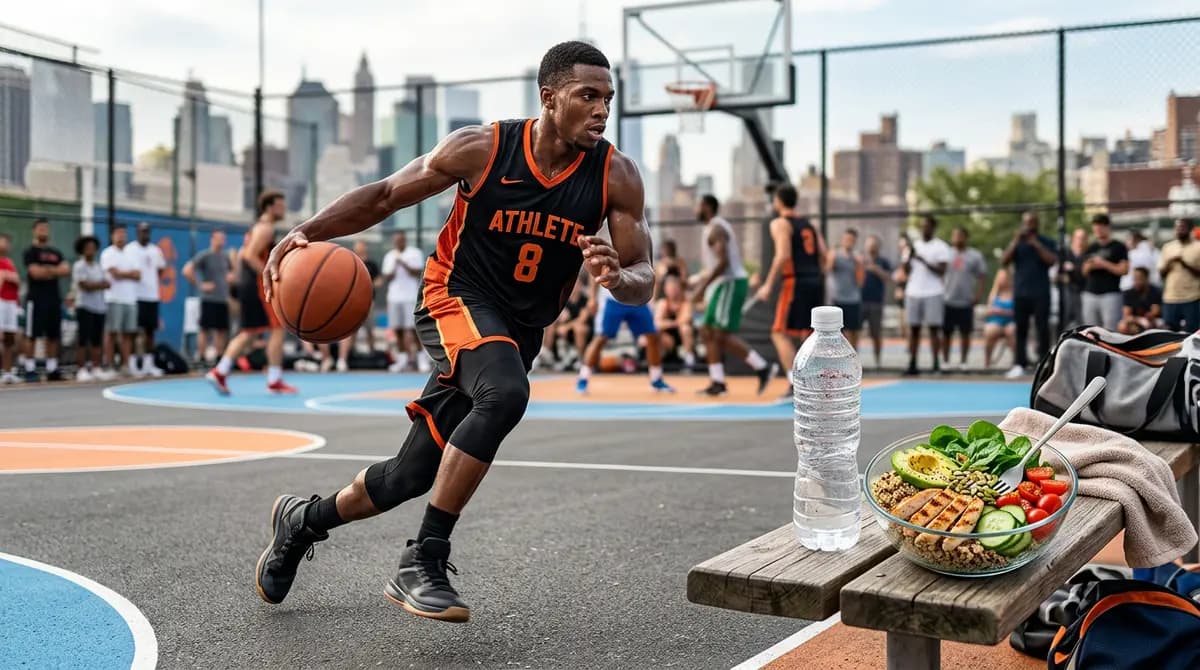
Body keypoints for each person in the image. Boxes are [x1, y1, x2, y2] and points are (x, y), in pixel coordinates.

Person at [252, 42, 654, 622]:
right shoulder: (483, 148)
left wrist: (620, 276)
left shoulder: (615, 175)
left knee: (406, 476)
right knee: (507, 394)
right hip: (454, 297)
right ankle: (424, 558)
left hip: (517, 331)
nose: (601, 111)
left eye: (607, 99)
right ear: (549, 98)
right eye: (587, 96)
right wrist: (305, 231)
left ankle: (301, 521)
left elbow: (645, 276)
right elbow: (387, 195)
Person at [206, 190, 297, 395]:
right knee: (277, 328)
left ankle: (220, 371)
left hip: (249, 284)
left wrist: (238, 279)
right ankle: (274, 380)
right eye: (280, 205)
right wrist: (272, 277)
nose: (283, 209)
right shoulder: (265, 229)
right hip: (256, 286)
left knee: (249, 332)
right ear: (270, 207)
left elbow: (241, 255)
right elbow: (249, 255)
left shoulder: (257, 228)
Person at [692, 193, 776, 397]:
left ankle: (762, 367)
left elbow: (723, 264)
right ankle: (718, 381)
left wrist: (702, 289)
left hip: (730, 283)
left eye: (698, 205)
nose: (696, 209)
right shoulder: (712, 229)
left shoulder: (716, 229)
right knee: (708, 331)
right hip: (724, 284)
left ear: (707, 207)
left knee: (718, 333)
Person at [756, 185, 824, 396]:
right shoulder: (809, 225)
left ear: (778, 200)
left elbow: (783, 254)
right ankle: (813, 382)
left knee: (778, 332)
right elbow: (825, 256)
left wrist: (767, 284)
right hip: (815, 281)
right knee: (808, 334)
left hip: (794, 282)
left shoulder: (780, 223)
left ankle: (796, 383)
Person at [577, 272, 673, 394]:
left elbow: (648, 268)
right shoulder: (609, 252)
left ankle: (656, 380)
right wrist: (592, 297)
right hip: (612, 298)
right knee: (601, 338)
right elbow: (594, 271)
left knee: (652, 335)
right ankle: (583, 378)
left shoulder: (642, 252)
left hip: (637, 297)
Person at [1000, 211, 1058, 379]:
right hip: (1021, 293)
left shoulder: (1045, 241)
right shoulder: (1017, 243)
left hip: (1040, 292)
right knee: (1021, 330)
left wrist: (1036, 244)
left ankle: (1043, 364)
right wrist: (1015, 241)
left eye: (1032, 222)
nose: (1029, 225)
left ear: (1037, 224)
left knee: (1042, 329)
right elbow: (1004, 261)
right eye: (1026, 222)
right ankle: (1019, 364)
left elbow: (1052, 260)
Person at [901, 215, 952, 376]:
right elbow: (906, 271)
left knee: (933, 329)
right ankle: (913, 363)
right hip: (913, 292)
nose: (924, 229)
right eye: (922, 226)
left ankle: (936, 364)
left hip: (933, 292)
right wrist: (909, 258)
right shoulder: (913, 246)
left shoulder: (941, 247)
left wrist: (923, 260)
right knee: (914, 329)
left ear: (933, 228)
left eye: (927, 226)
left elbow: (941, 271)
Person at [22, 218, 70, 382]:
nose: (44, 230)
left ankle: (52, 369)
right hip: (35, 299)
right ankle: (29, 369)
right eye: (40, 228)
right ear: (34, 231)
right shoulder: (30, 252)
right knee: (32, 335)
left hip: (54, 299)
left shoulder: (56, 252)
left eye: (46, 228)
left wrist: (47, 270)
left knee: (53, 335)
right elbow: (35, 273)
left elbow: (66, 270)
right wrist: (54, 270)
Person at [183, 229, 233, 367]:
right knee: (205, 329)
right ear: (212, 239)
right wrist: (201, 285)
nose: (222, 241)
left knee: (221, 329)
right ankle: (202, 357)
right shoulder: (205, 255)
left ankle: (218, 357)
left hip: (222, 299)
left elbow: (231, 274)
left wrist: (230, 279)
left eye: (223, 238)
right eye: (219, 238)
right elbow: (187, 270)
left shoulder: (225, 256)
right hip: (209, 299)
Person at [941, 226, 987, 372]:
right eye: (955, 235)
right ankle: (946, 362)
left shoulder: (975, 256)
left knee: (965, 333)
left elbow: (982, 276)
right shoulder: (945, 254)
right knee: (946, 333)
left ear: (966, 238)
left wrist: (978, 295)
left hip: (966, 301)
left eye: (960, 235)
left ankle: (964, 362)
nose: (957, 238)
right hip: (947, 299)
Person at [381, 231, 426, 373]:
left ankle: (422, 360)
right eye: (396, 240)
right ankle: (402, 360)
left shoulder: (414, 253)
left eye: (401, 240)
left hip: (410, 297)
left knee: (413, 329)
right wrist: (395, 265)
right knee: (398, 330)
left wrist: (403, 263)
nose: (398, 242)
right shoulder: (390, 256)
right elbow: (386, 277)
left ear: (405, 240)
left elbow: (418, 273)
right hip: (394, 297)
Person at [100, 225, 142, 378]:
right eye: (118, 233)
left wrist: (124, 273)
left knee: (128, 334)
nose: (121, 236)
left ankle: (125, 366)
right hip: (113, 299)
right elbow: (114, 274)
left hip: (130, 299)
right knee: (111, 333)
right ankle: (110, 365)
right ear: (112, 236)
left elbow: (138, 275)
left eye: (123, 233)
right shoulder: (108, 253)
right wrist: (128, 273)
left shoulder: (132, 254)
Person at [126, 222, 167, 377]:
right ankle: (133, 365)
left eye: (147, 231)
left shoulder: (155, 250)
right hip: (135, 296)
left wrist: (151, 283)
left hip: (152, 296)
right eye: (142, 231)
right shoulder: (130, 249)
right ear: (137, 232)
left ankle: (149, 365)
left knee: (150, 332)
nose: (145, 234)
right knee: (134, 332)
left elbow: (160, 270)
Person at [336, 239, 382, 372]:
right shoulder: (351, 262)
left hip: (368, 302)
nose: (359, 248)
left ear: (365, 248)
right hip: (353, 302)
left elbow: (379, 280)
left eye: (361, 246)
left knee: (369, 330)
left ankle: (373, 356)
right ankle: (344, 359)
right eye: (357, 246)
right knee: (349, 331)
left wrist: (368, 284)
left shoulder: (371, 264)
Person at [1081, 214, 1128, 331]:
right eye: (1095, 228)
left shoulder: (1119, 247)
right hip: (1090, 293)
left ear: (1107, 227)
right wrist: (1090, 265)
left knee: (1110, 330)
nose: (1097, 231)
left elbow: (1124, 270)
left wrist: (1104, 264)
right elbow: (1084, 272)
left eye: (1100, 227)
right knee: (1090, 330)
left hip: (1110, 294)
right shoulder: (1091, 247)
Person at [72, 235, 109, 382]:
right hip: (84, 306)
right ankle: (81, 369)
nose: (91, 250)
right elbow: (84, 286)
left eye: (93, 247)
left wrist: (94, 285)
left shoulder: (98, 266)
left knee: (96, 339)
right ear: (82, 249)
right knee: (83, 339)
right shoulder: (79, 266)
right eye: (88, 247)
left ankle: (96, 368)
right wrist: (98, 285)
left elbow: (107, 284)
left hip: (99, 307)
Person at [1157, 218, 1200, 332]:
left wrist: (1184, 263)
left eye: (1182, 228)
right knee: (1170, 334)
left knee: (1192, 333)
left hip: (1192, 298)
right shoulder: (1168, 247)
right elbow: (1161, 273)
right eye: (1177, 228)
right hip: (1170, 298)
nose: (1179, 230)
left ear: (1190, 229)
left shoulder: (1198, 247)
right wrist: (1169, 263)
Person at [827, 228, 863, 349]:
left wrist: (859, 264)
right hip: (838, 299)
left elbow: (860, 282)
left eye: (851, 240)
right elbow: (827, 269)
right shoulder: (835, 254)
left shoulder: (857, 258)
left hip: (853, 299)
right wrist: (831, 258)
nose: (849, 242)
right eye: (847, 239)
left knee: (855, 332)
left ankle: (854, 359)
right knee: (842, 332)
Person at [860, 234, 891, 370]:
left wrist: (875, 269)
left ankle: (878, 362)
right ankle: (854, 363)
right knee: (854, 333)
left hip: (876, 302)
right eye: (869, 244)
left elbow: (889, 278)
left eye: (874, 244)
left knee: (876, 333)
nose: (871, 247)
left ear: (878, 246)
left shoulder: (883, 262)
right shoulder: (860, 260)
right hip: (859, 301)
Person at [654, 274, 694, 368]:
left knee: (685, 329)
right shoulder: (663, 303)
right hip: (668, 337)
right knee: (656, 331)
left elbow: (685, 320)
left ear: (680, 288)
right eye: (670, 287)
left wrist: (668, 323)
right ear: (665, 289)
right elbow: (657, 323)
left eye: (675, 287)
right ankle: (661, 358)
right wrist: (674, 323)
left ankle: (689, 359)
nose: (673, 290)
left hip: (682, 336)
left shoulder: (686, 302)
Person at [982, 267, 1016, 370]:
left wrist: (1003, 312)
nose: (1002, 280)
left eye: (1004, 278)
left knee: (1011, 331)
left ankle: (1016, 361)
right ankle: (987, 361)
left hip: (1011, 321)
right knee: (990, 331)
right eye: (1000, 278)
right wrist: (991, 311)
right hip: (996, 321)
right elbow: (987, 312)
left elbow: (1019, 312)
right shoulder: (994, 294)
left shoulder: (1015, 292)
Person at [1118, 267, 1163, 335]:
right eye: (1135, 278)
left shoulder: (1155, 291)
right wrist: (1140, 321)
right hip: (1137, 320)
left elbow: (1155, 311)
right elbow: (1127, 314)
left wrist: (1148, 318)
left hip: (1153, 320)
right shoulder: (1129, 293)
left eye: (1140, 278)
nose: (1137, 281)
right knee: (1122, 325)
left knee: (1158, 324)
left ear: (1146, 278)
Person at [0, 233, 20, 384]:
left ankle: (7, 373)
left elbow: (17, 281)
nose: (5, 244)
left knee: (9, 339)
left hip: (11, 303)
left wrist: (7, 275)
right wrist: (6, 276)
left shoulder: (9, 262)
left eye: (7, 242)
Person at [1058, 228, 1088, 329]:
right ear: (1073, 239)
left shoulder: (1088, 255)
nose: (1081, 241)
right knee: (1066, 320)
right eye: (1079, 238)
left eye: (1083, 238)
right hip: (1068, 292)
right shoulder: (1065, 254)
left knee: (1083, 321)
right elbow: (1057, 275)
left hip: (1084, 292)